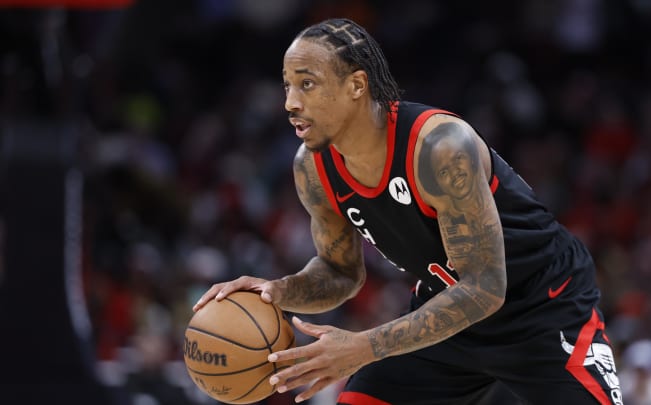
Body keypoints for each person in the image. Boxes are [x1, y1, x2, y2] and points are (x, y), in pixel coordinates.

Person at [194, 17, 623, 405]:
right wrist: (277, 292)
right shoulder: (313, 167)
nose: (289, 102)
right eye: (286, 85)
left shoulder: (439, 147)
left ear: (356, 86)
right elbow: (340, 272)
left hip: (542, 310)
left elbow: (485, 288)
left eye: (306, 84)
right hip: (447, 317)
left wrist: (363, 347)